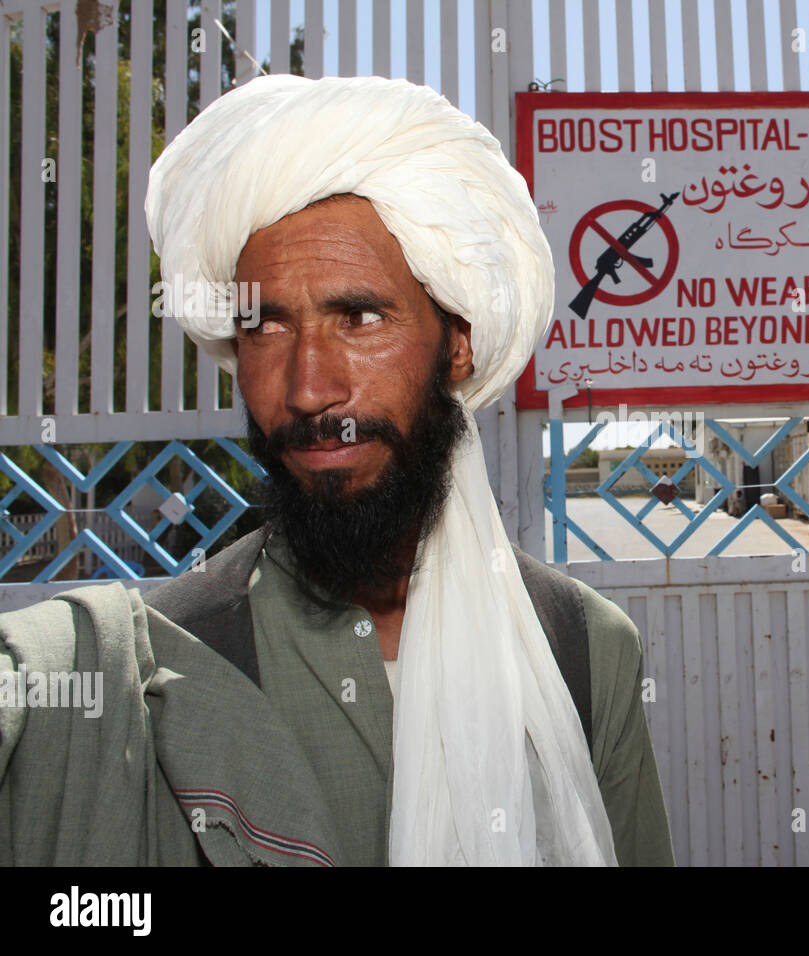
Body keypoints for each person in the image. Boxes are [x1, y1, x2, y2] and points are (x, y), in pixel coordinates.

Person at [0, 75, 672, 867]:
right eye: (266, 326)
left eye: (359, 318)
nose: (308, 387)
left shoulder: (584, 651)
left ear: (456, 342)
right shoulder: (157, 662)